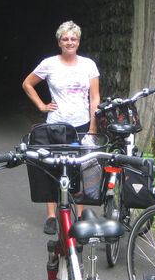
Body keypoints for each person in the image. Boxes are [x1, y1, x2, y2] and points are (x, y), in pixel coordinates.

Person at [22, 21, 100, 235]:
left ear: (79, 41)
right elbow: (27, 83)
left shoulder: (88, 65)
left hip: (81, 123)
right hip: (56, 124)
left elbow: (95, 98)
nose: (69, 42)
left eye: (73, 39)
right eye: (65, 39)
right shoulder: (49, 64)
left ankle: (81, 213)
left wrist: (93, 127)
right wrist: (41, 105)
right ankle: (51, 215)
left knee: (80, 167)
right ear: (59, 42)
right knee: (52, 167)